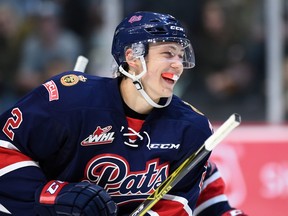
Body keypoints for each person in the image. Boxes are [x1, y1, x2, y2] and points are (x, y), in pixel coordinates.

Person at [0, 11, 247, 216]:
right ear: (132, 57)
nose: (178, 64)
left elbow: (176, 203)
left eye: (181, 56)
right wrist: (53, 195)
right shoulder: (68, 100)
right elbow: (4, 147)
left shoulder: (191, 128)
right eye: (168, 53)